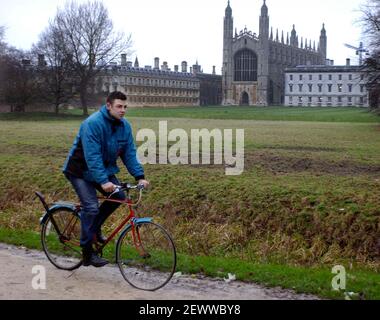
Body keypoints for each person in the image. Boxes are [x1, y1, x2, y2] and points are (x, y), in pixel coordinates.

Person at [63, 91, 149, 267]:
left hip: (103, 170)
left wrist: (139, 176)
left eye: (125, 107)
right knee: (91, 207)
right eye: (119, 106)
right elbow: (92, 156)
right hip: (80, 170)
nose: (123, 110)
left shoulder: (124, 126)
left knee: (119, 197)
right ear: (108, 105)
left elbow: (129, 153)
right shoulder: (93, 124)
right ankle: (87, 252)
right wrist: (103, 181)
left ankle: (94, 228)